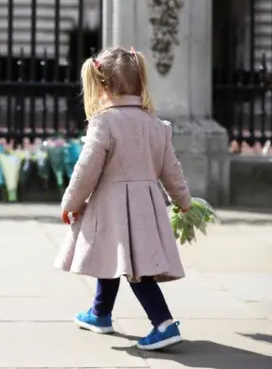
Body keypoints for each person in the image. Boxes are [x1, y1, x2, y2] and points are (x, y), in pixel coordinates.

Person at [53, 46, 192, 351]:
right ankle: (100, 313)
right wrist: (183, 201)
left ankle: (164, 323)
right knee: (115, 257)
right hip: (147, 206)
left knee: (136, 270)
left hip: (113, 206)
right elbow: (172, 170)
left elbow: (85, 171)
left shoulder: (104, 123)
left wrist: (70, 204)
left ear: (102, 86)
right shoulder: (157, 125)